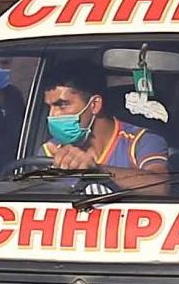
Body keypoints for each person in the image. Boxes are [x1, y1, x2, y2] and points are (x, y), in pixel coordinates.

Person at [37, 62, 169, 193]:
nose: (52, 115)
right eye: (49, 107)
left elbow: (160, 186)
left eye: (62, 105)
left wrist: (96, 171)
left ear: (94, 105)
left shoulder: (141, 141)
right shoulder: (50, 152)